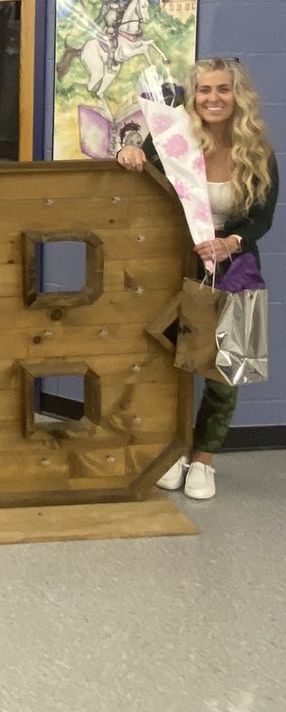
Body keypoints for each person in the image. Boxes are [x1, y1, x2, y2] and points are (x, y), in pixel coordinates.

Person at [116, 58, 278, 499]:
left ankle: (204, 459)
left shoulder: (257, 151)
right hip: (174, 263)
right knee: (171, 359)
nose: (213, 98)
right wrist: (128, 153)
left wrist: (231, 242)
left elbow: (262, 216)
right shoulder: (172, 137)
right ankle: (174, 451)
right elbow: (136, 172)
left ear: (237, 95)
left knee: (224, 367)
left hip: (233, 266)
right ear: (194, 95)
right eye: (205, 90)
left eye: (223, 89)